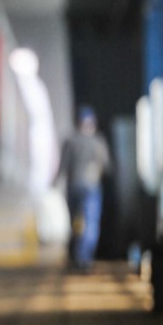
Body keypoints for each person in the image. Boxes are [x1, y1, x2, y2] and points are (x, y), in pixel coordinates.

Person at [55, 105, 111, 272]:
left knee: (76, 223)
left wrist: (53, 184)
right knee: (91, 223)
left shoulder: (70, 141)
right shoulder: (98, 143)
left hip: (73, 188)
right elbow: (108, 167)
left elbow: (62, 167)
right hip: (91, 188)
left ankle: (76, 256)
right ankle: (84, 259)